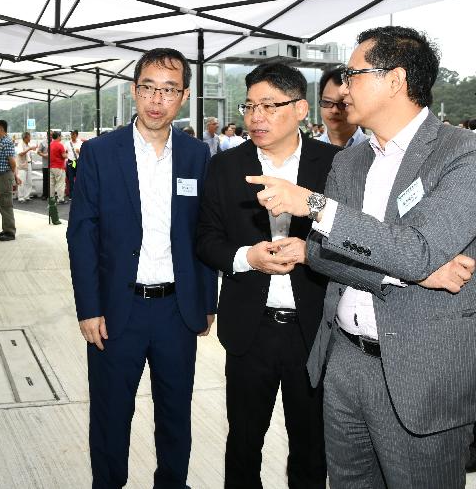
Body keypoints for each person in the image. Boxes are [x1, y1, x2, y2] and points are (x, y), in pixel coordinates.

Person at [245, 26, 476, 488]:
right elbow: (325, 257)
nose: (343, 87)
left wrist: (313, 206)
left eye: (354, 74)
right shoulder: (349, 161)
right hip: (344, 360)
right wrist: (406, 275)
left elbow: (416, 250)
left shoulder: (461, 154)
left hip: (418, 374)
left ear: (395, 80)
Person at [67, 47, 217, 489]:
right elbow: (82, 234)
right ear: (134, 91)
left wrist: (206, 301)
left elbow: (203, 233)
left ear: (184, 97)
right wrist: (88, 308)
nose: (156, 99)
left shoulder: (196, 155)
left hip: (176, 310)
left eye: (168, 90)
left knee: (176, 415)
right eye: (148, 88)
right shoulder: (99, 152)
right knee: (111, 416)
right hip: (117, 310)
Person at [196, 63, 339, 489]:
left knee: (311, 446)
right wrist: (246, 257)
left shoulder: (336, 165)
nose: (256, 116)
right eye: (250, 106)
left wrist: (312, 254)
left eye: (269, 105)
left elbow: (355, 237)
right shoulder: (224, 166)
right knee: (243, 442)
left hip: (313, 330)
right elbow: (206, 239)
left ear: (299, 108)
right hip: (250, 329)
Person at [316, 66, 368, 148]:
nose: (334, 110)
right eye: (327, 102)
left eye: (343, 104)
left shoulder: (375, 153)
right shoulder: (306, 151)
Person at [0, 120, 20, 241]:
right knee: (3, 203)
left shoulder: (6, 142)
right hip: (2, 176)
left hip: (4, 176)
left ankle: (10, 232)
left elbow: (12, 161)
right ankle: (6, 229)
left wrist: (14, 176)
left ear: (1, 129)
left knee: (6, 204)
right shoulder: (4, 141)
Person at [16, 131, 35, 202]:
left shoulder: (28, 145)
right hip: (22, 165)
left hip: (29, 164)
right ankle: (21, 197)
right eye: (29, 137)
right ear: (25, 138)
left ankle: (27, 196)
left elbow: (29, 155)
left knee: (29, 181)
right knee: (22, 181)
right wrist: (29, 149)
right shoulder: (20, 144)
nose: (30, 138)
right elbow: (20, 153)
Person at [48, 131, 68, 203]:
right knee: (60, 183)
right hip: (59, 166)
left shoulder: (50, 144)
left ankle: (51, 198)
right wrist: (67, 154)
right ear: (58, 136)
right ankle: (60, 199)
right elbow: (64, 156)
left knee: (52, 184)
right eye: (61, 136)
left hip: (51, 166)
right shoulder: (60, 145)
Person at [65, 130, 82, 200]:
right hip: (70, 162)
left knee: (79, 178)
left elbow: (84, 152)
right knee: (71, 179)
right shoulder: (67, 143)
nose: (72, 136)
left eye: (74, 135)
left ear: (77, 135)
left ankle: (78, 194)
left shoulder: (80, 143)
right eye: (71, 135)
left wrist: (80, 151)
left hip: (77, 162)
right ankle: (71, 195)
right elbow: (64, 152)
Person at [37, 135, 50, 199]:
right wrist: (44, 155)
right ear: (47, 135)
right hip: (45, 165)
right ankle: (45, 195)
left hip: (53, 165)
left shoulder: (55, 142)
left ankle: (52, 195)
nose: (51, 136)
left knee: (53, 181)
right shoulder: (43, 143)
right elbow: (38, 152)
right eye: (49, 135)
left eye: (51, 135)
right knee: (45, 180)